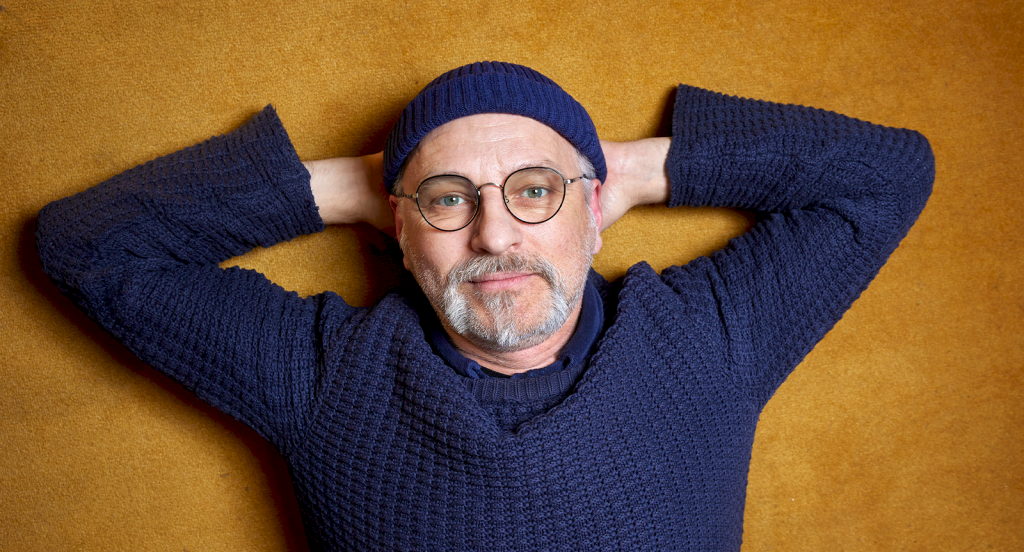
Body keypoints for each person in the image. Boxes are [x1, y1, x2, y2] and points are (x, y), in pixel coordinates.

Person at [36, 61, 934, 551]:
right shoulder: (323, 375)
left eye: (536, 190)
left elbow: (890, 175)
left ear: (594, 211)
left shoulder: (709, 340)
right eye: (449, 198)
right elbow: (85, 246)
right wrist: (354, 188)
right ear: (400, 230)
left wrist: (635, 169)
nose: (495, 234)